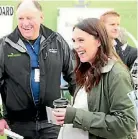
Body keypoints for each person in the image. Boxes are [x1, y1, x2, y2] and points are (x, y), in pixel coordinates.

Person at [0, 0, 76, 139]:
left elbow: (74, 77)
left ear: (41, 17)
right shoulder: (4, 45)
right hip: (18, 124)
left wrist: (78, 112)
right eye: (21, 18)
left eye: (29, 18)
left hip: (52, 123)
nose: (25, 23)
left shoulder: (57, 41)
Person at [53, 18, 136, 139]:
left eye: (81, 40)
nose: (76, 46)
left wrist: (75, 115)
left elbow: (124, 123)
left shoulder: (117, 75)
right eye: (74, 41)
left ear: (98, 41)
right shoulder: (87, 70)